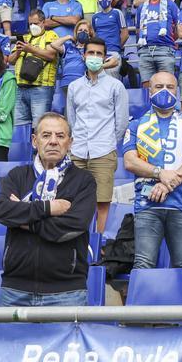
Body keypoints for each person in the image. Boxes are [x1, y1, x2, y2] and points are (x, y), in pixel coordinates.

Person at [0, 113, 97, 306]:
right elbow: (2, 212)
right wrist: (49, 208)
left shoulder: (84, 181)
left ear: (70, 142)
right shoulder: (17, 176)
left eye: (60, 136)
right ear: (34, 141)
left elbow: (74, 225)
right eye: (46, 135)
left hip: (67, 292)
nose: (53, 141)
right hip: (15, 291)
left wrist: (24, 217)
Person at [123, 71, 182, 270]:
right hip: (147, 206)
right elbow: (129, 161)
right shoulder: (136, 125)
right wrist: (160, 173)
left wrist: (168, 183)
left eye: (170, 87)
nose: (164, 91)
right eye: (159, 87)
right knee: (143, 264)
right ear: (149, 91)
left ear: (177, 91)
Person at [66, 36, 128, 233]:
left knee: (102, 202)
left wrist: (108, 141)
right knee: (75, 201)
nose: (94, 57)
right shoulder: (74, 87)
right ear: (84, 55)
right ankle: (79, 243)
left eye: (98, 54)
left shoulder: (115, 86)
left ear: (104, 57)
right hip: (77, 151)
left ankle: (98, 243)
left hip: (103, 150)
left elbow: (122, 122)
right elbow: (71, 120)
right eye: (90, 53)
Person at [10, 10, 58, 128]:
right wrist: (19, 51)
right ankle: (23, 147)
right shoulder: (25, 38)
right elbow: (10, 60)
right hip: (20, 88)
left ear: (43, 22)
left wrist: (30, 49)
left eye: (36, 23)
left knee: (39, 126)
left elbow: (51, 55)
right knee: (18, 126)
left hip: (41, 88)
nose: (33, 26)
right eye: (30, 24)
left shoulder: (51, 35)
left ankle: (38, 147)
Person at [136, 0, 180, 89]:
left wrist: (169, 39)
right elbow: (138, 29)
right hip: (145, 50)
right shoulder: (141, 7)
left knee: (166, 84)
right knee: (147, 86)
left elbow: (178, 27)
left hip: (164, 50)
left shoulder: (171, 5)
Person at [89, 0, 127, 79]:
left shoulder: (117, 13)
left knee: (111, 82)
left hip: (113, 53)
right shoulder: (95, 16)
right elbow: (94, 35)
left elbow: (125, 34)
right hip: (98, 54)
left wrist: (116, 46)